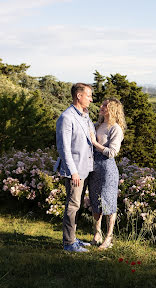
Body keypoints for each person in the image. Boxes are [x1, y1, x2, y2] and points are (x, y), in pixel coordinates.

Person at [54, 83, 95, 252]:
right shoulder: (67, 117)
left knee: (77, 206)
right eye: (88, 96)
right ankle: (69, 244)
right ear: (79, 96)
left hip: (85, 169)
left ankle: (73, 238)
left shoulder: (85, 115)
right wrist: (73, 172)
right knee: (72, 206)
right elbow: (64, 148)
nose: (91, 99)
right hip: (75, 171)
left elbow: (90, 138)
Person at [88, 98, 126, 249]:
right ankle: (97, 234)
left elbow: (112, 152)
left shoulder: (115, 129)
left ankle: (109, 237)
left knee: (108, 202)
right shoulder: (97, 125)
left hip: (107, 169)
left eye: (106, 106)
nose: (102, 107)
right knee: (95, 201)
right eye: (102, 105)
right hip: (93, 168)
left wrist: (94, 143)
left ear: (113, 109)